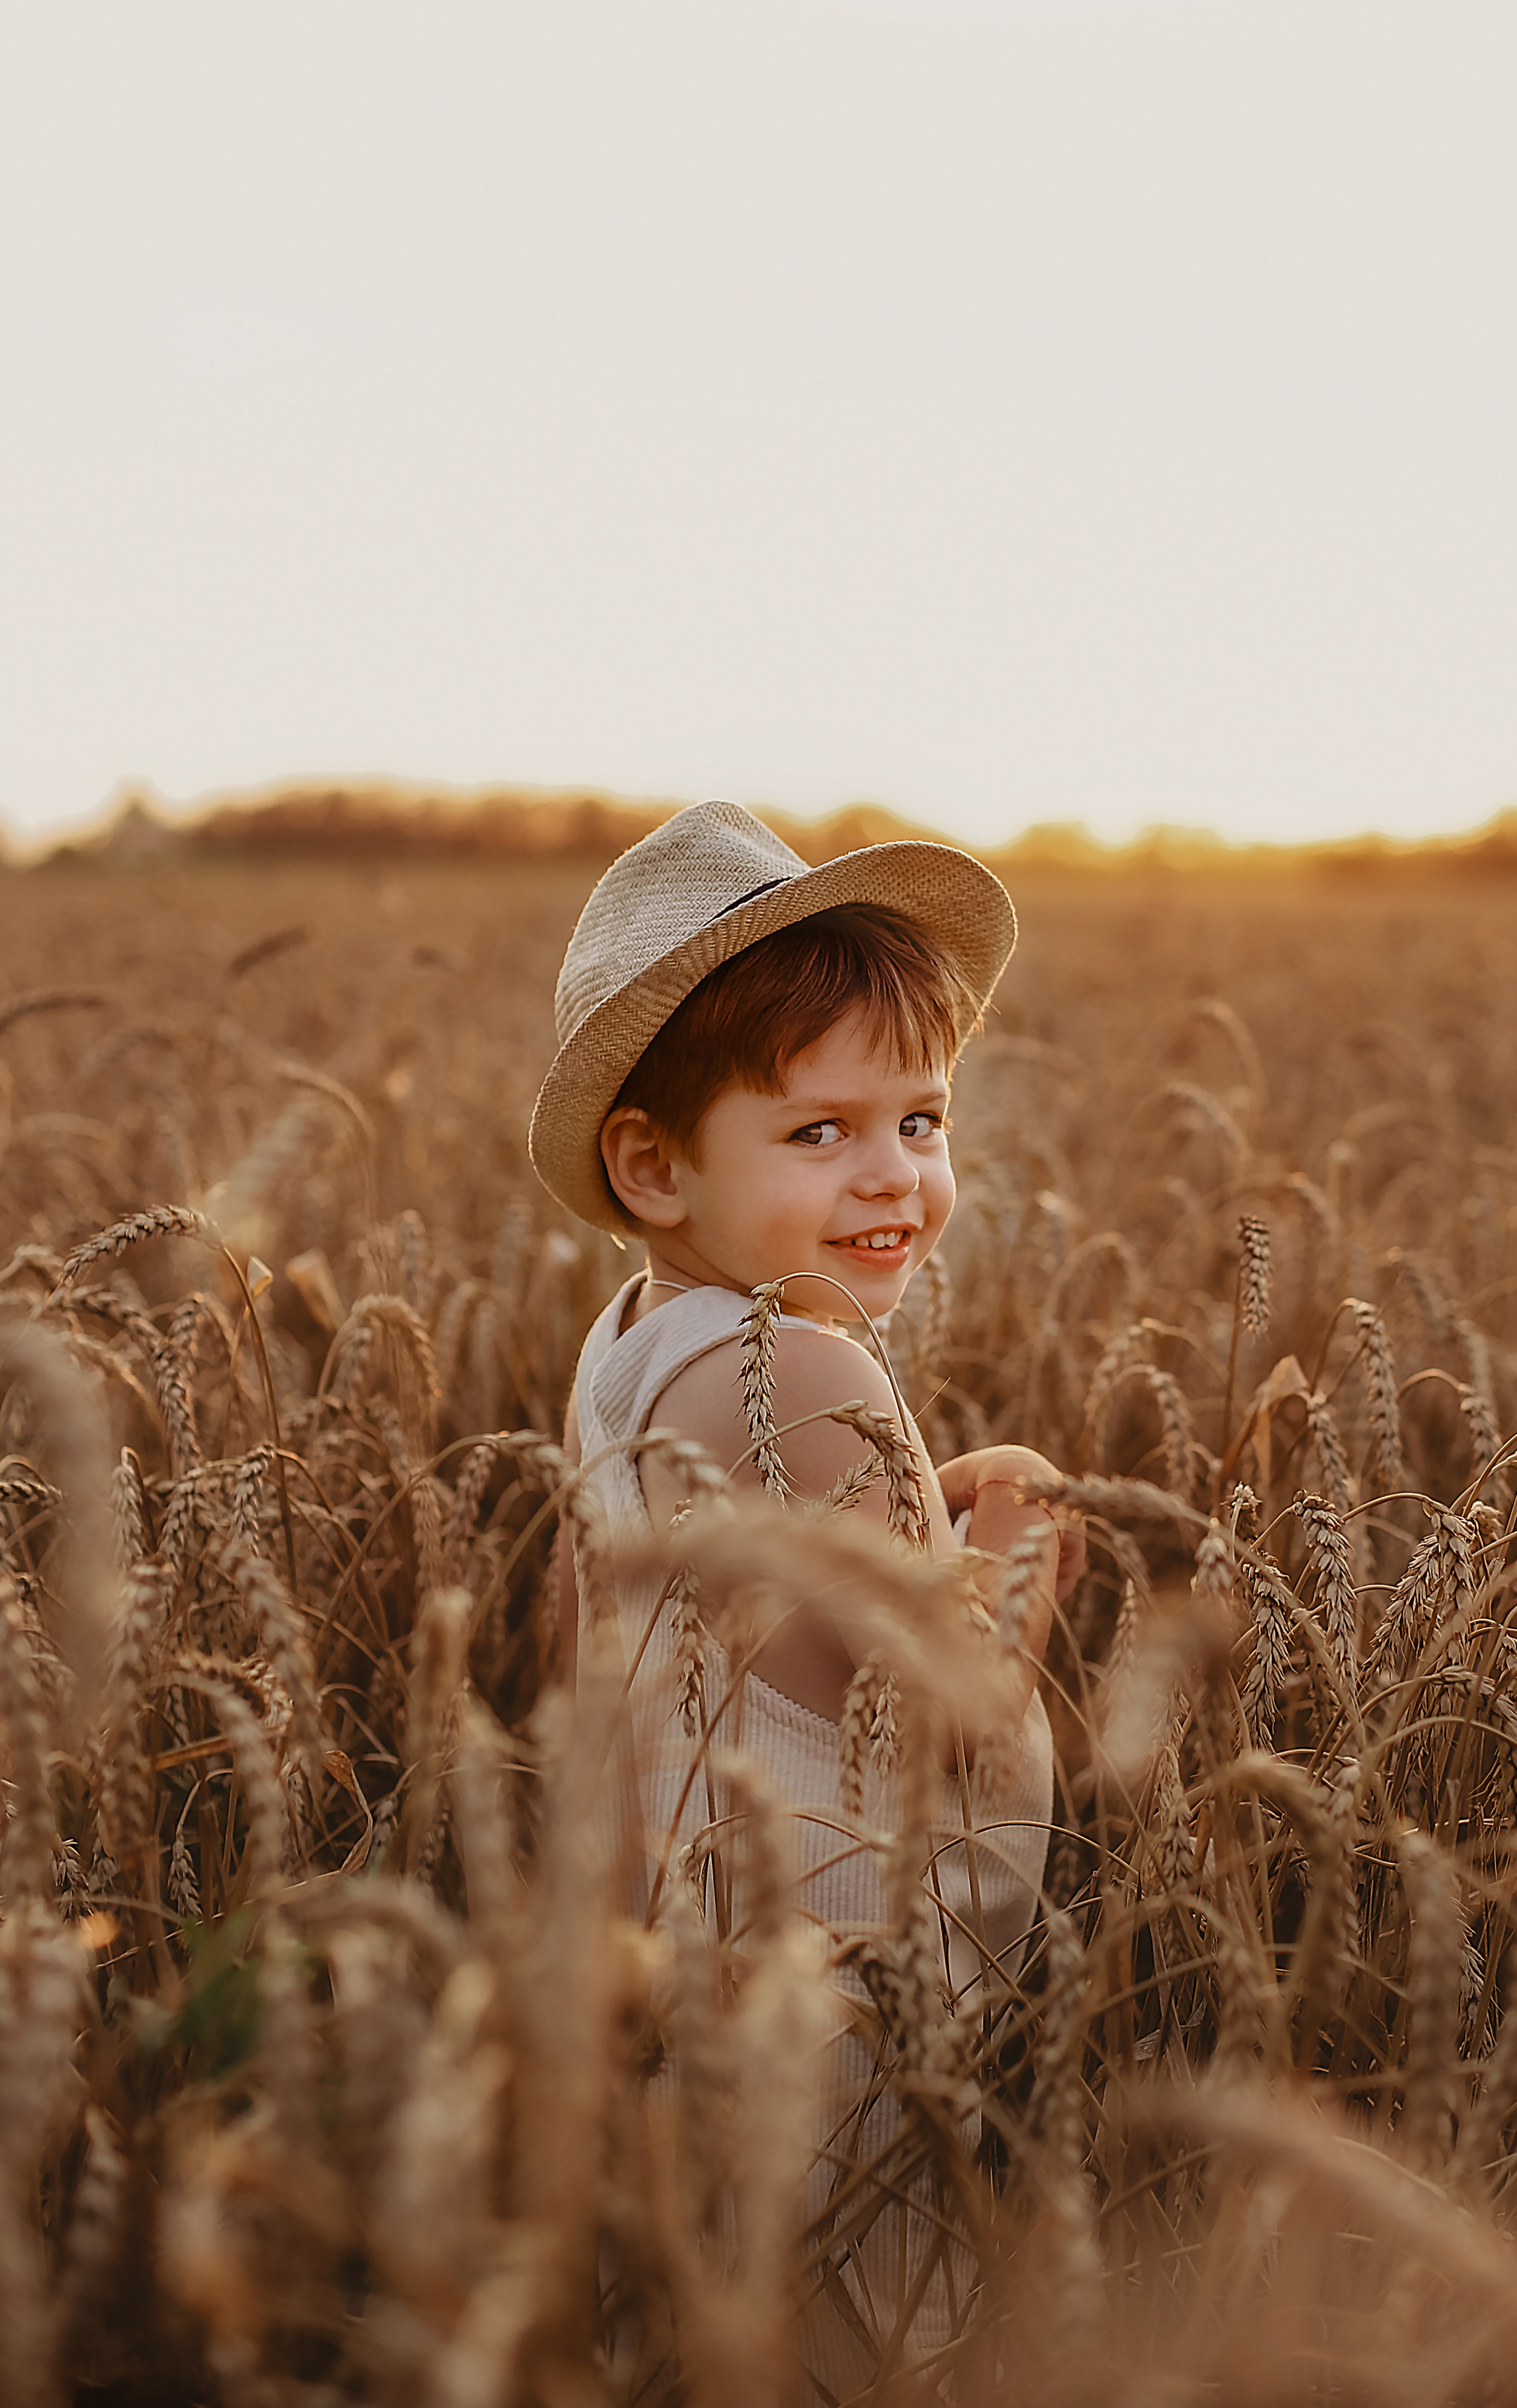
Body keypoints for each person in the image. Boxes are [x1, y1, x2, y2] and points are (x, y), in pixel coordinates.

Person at [528, 799, 1082, 2383]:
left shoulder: (639, 1337)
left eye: (923, 1118)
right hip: (841, 2014)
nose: (892, 1176)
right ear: (651, 1163)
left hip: (694, 1982)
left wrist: (920, 1503)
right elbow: (944, 1712)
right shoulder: (807, 1362)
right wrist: (1024, 1518)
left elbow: (645, 1611)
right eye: (818, 1130)